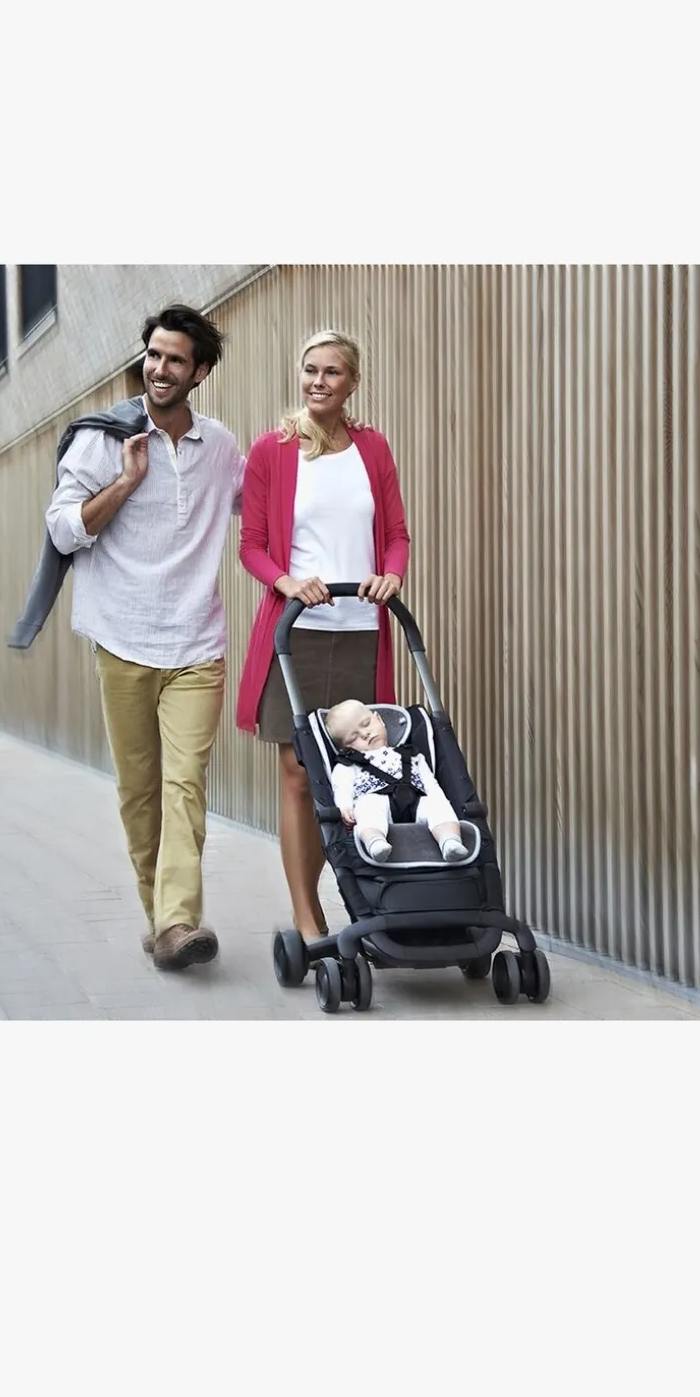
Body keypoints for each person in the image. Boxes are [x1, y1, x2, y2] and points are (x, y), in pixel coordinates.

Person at [44, 304, 245, 971]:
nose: (159, 369)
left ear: (200, 372)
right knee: (140, 791)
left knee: (185, 784)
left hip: (196, 644)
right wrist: (127, 482)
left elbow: (263, 501)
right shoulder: (103, 440)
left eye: (175, 360)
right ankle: (159, 918)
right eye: (153, 355)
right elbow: (63, 529)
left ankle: (179, 921)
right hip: (122, 638)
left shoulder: (220, 447)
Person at [235, 329, 410, 941]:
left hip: (361, 631)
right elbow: (252, 546)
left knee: (357, 770)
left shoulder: (373, 449)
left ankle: (364, 895)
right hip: (299, 635)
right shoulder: (272, 451)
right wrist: (287, 582)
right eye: (311, 369)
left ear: (352, 382)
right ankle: (307, 916)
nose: (318, 381)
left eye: (332, 372)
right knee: (298, 772)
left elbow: (396, 535)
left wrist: (392, 574)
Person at [326, 699, 469, 863]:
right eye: (354, 738)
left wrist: (440, 800)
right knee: (366, 807)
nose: (365, 734)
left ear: (379, 719)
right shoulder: (349, 764)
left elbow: (431, 784)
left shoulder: (412, 755)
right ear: (346, 748)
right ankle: (375, 842)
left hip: (416, 801)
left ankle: (450, 841)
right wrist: (344, 807)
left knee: (437, 805)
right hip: (376, 800)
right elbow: (341, 787)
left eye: (366, 724)